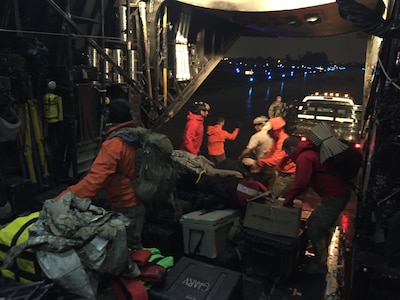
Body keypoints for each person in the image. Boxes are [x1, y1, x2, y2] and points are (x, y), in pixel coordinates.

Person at [56, 98, 145, 251]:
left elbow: (94, 181)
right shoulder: (137, 135)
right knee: (134, 244)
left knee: (127, 250)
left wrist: (63, 199)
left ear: (110, 117)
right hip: (140, 199)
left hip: (125, 204)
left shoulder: (114, 144)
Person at [282, 122, 353, 275]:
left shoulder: (304, 157)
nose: (289, 157)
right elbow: (306, 182)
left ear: (290, 149)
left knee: (314, 228)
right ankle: (324, 256)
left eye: (287, 153)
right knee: (319, 224)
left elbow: (300, 183)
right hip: (338, 193)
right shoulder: (310, 153)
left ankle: (320, 266)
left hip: (334, 196)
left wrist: (287, 202)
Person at [250, 116, 289, 190]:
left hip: (287, 172)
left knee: (275, 193)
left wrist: (259, 162)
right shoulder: (276, 139)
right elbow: (271, 152)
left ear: (276, 130)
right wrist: (262, 161)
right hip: (279, 169)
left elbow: (275, 159)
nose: (268, 134)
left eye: (269, 131)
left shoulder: (283, 140)